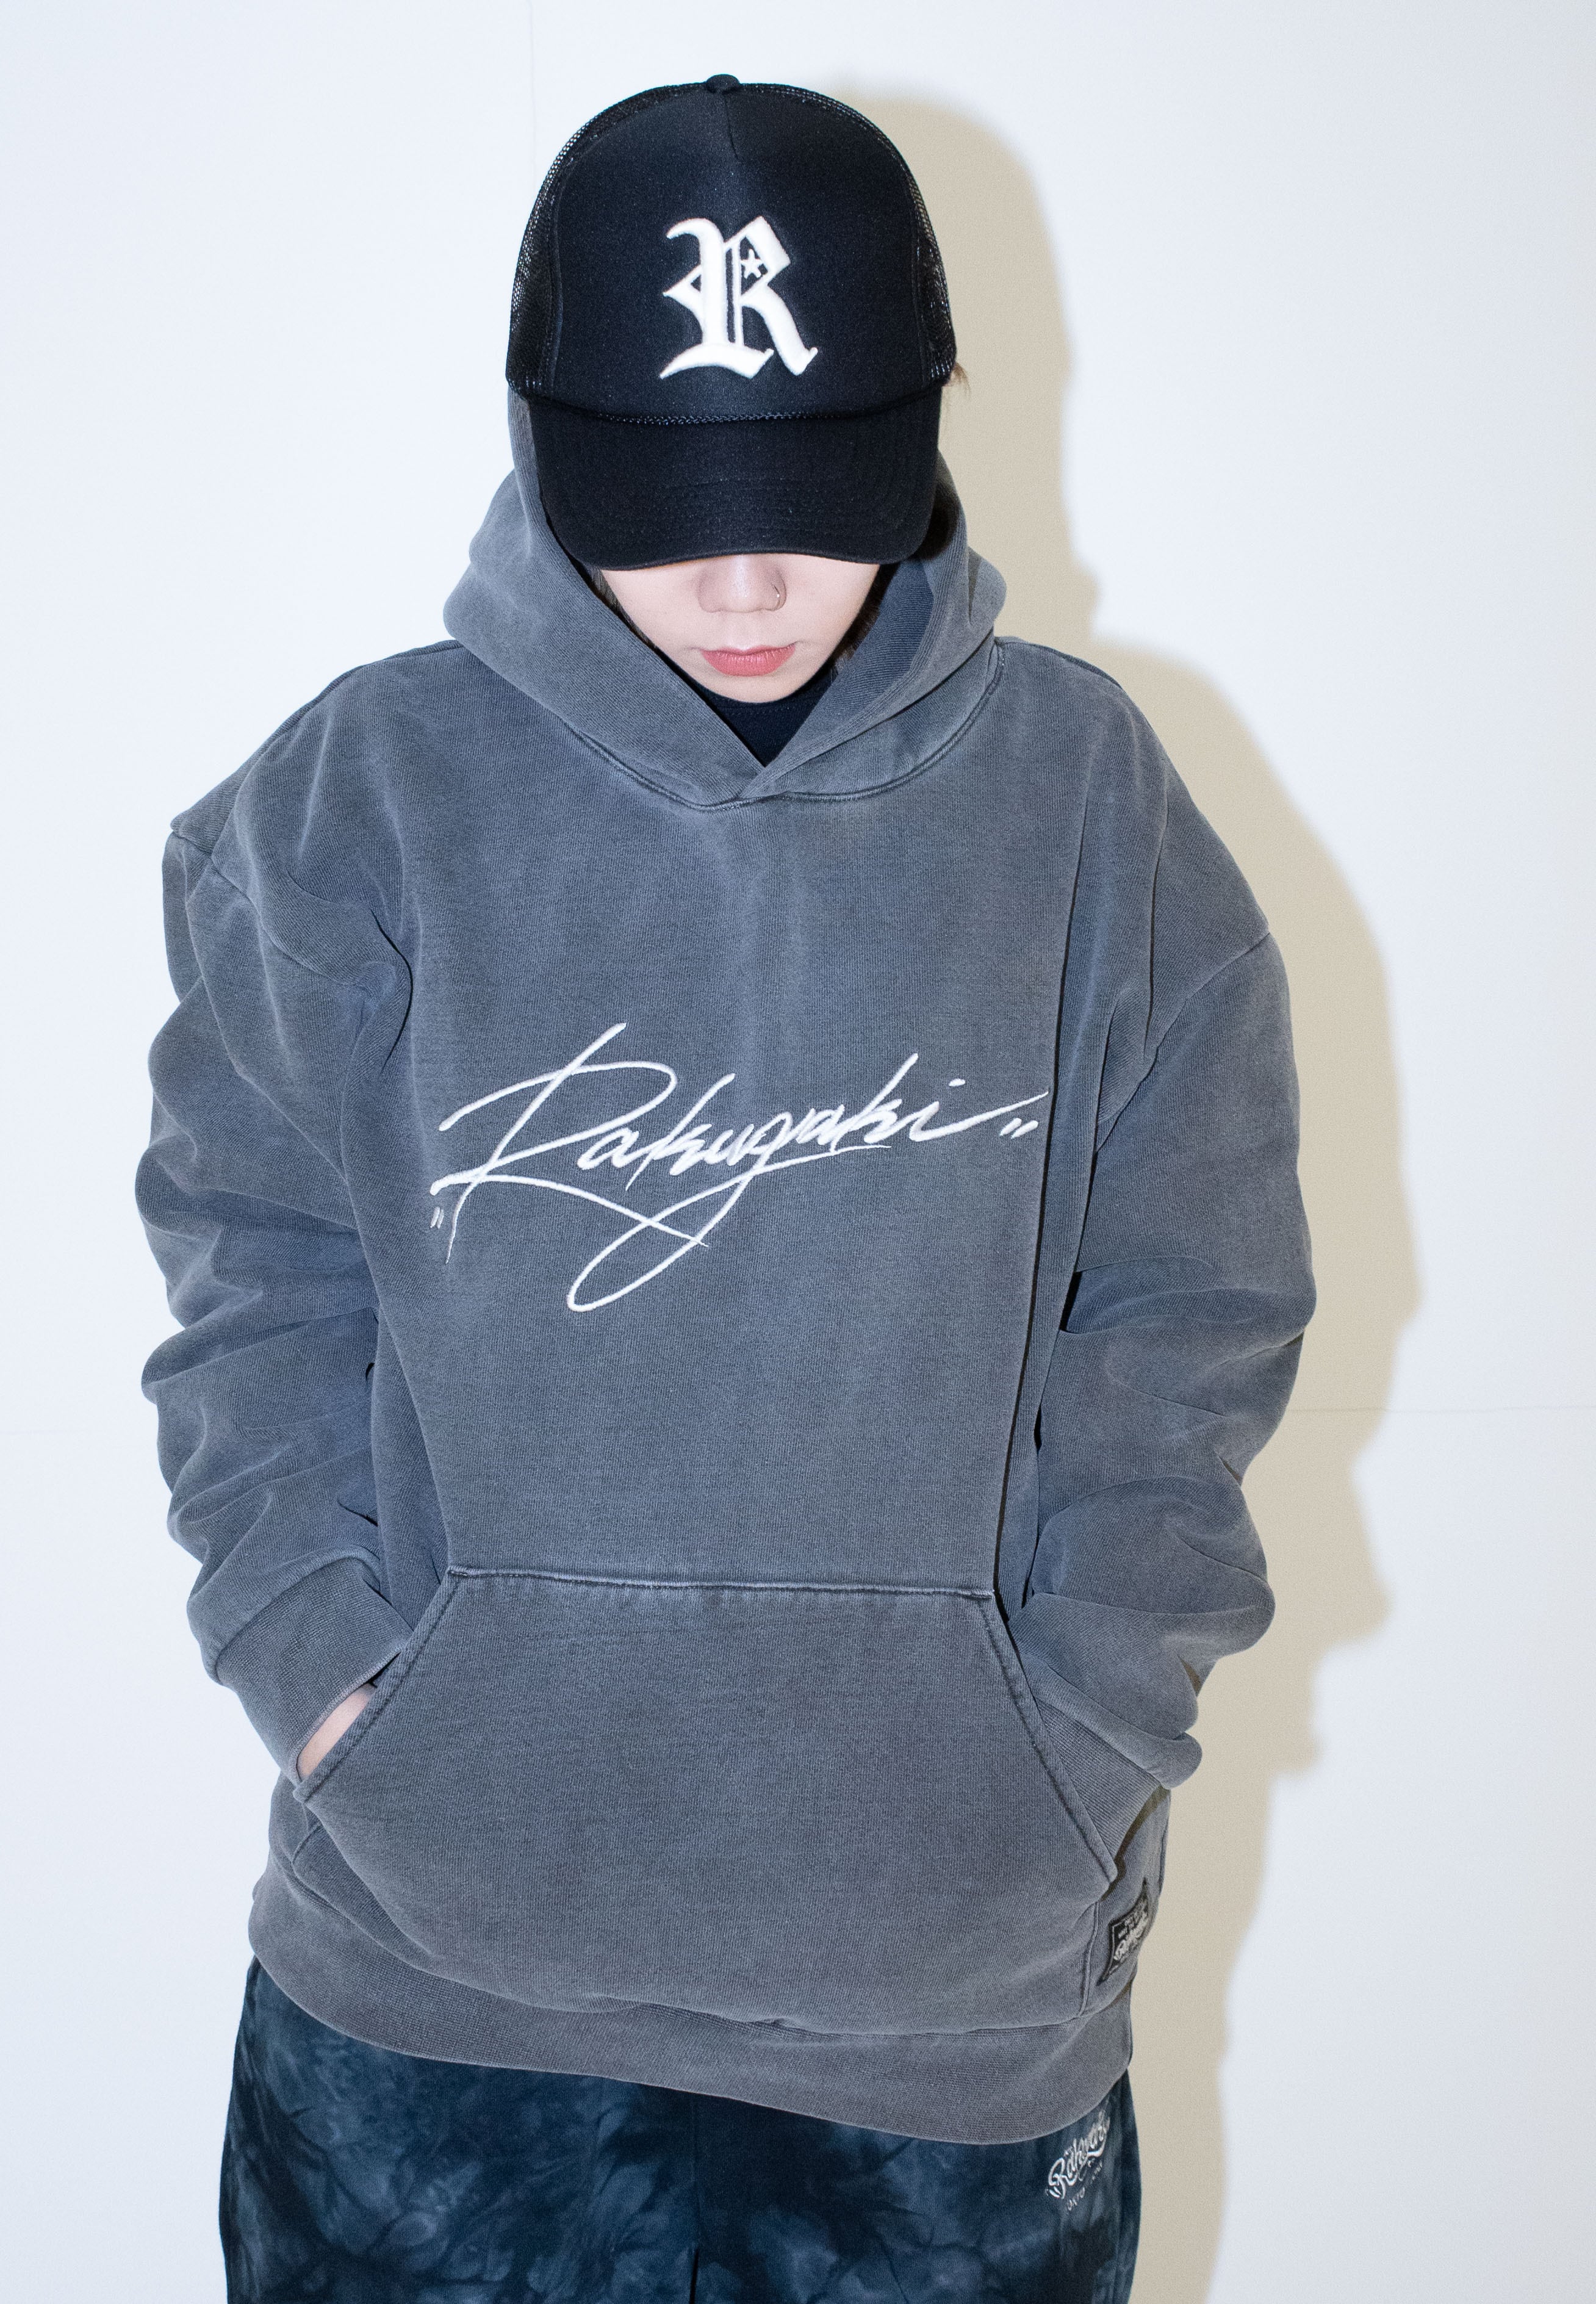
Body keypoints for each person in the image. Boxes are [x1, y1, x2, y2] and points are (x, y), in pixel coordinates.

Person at [137, 76, 1314, 2303]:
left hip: (947, 2010)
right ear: (547, 440)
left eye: (815, 496)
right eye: (674, 509)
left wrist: (1081, 1728)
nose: (751, 581)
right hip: (431, 2013)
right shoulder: (350, 801)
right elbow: (254, 1285)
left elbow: (1196, 1303)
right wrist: (332, 1684)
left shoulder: (1087, 800)